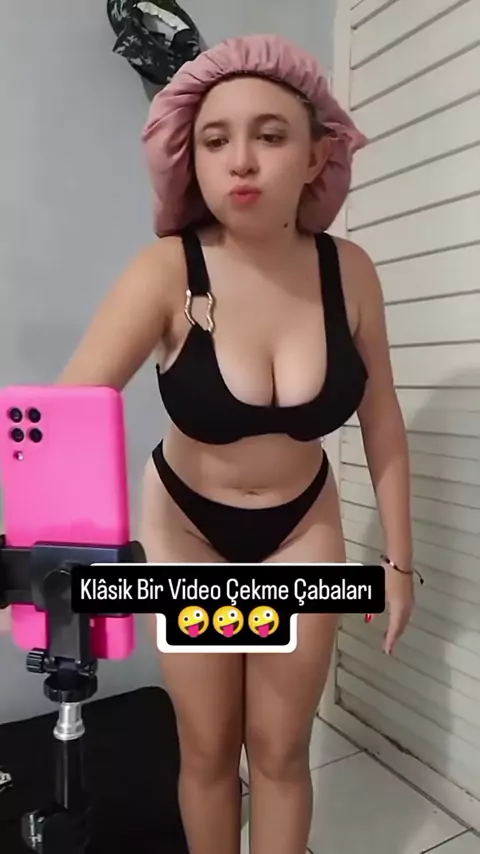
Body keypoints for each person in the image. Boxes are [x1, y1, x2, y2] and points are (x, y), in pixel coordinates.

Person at [40, 33, 416, 854]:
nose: (240, 160)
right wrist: (37, 567)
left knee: (279, 752)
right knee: (210, 750)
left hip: (301, 526)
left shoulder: (349, 271)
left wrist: (398, 560)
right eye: (215, 140)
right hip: (190, 530)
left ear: (317, 155)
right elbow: (65, 417)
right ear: (191, 157)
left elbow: (381, 412)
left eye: (270, 135)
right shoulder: (166, 272)